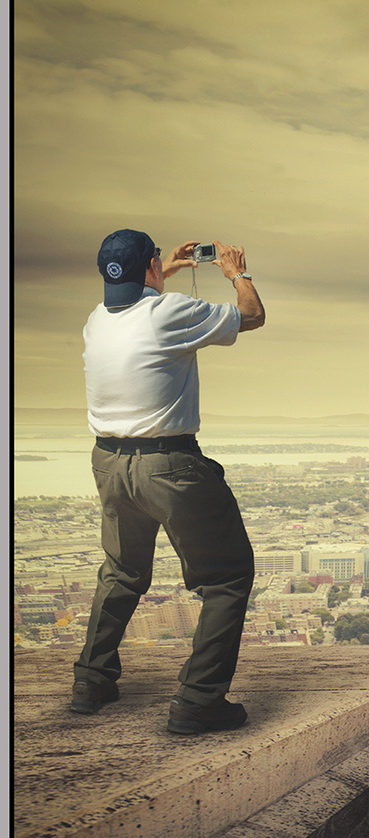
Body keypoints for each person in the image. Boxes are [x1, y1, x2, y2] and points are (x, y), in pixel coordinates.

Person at [74, 229, 266, 734]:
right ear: (153, 269)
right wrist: (236, 273)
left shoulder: (96, 320)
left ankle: (91, 681)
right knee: (225, 576)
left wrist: (166, 269)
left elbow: (135, 299)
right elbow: (251, 315)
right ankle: (198, 700)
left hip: (110, 463)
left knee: (121, 571)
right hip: (169, 467)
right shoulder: (169, 312)